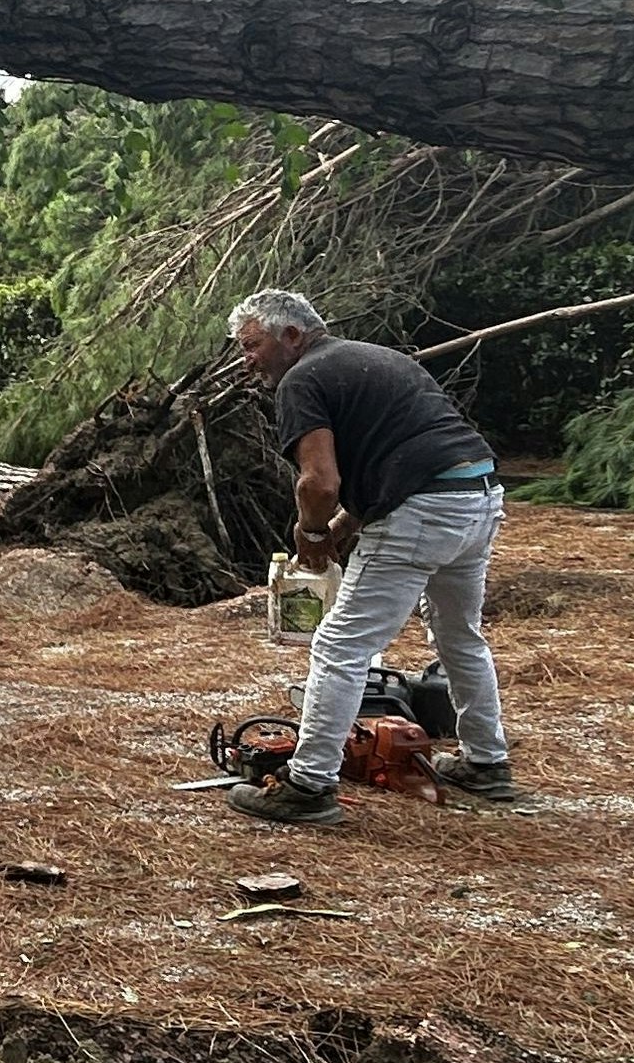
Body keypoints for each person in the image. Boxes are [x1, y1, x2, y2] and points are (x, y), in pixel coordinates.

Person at [223, 289, 520, 825]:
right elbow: (398, 458)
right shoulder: (379, 359)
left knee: (340, 644)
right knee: (460, 635)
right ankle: (486, 763)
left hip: (423, 512)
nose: (248, 359)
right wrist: (341, 529)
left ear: (291, 336)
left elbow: (319, 481)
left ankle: (308, 786)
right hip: (477, 497)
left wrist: (311, 535)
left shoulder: (302, 379)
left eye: (252, 345)